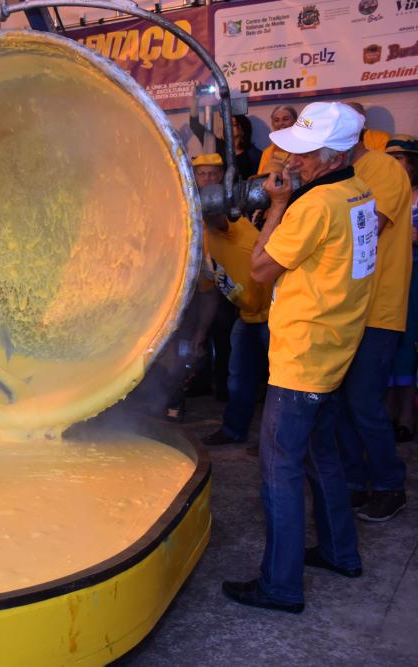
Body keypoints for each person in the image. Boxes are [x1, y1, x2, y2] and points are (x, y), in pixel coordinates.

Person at [223, 102, 375, 613]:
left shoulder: (315, 206)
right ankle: (340, 551)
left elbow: (262, 268)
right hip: (337, 348)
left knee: (279, 469)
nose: (294, 161)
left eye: (306, 154)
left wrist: (281, 206)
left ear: (335, 158)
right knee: (322, 455)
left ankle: (280, 585)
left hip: (303, 356)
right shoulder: (360, 191)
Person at [335, 120, 414, 523]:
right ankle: (353, 482)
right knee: (346, 403)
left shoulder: (381, 168)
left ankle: (388, 485)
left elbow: (367, 229)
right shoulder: (347, 175)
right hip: (350, 309)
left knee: (364, 402)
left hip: (378, 310)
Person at [193, 154, 273, 449]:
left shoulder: (228, 220)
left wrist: (201, 204)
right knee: (239, 379)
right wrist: (201, 336)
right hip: (248, 316)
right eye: (202, 175)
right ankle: (233, 430)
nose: (209, 181)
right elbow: (210, 291)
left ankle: (275, 441)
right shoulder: (201, 238)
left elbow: (215, 217)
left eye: (215, 175)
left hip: (276, 316)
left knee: (280, 385)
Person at [385, 135, 418, 443]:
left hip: (414, 279)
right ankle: (389, 413)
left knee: (408, 346)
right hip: (387, 278)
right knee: (388, 346)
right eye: (391, 161)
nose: (396, 166)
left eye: (402, 160)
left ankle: (406, 416)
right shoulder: (383, 195)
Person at [189, 99, 262, 179]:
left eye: (233, 124)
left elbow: (257, 180)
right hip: (220, 191)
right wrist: (196, 98)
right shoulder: (219, 145)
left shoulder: (253, 154)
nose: (228, 126)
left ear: (243, 129)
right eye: (227, 124)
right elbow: (194, 124)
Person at [257, 104, 298, 174]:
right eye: (276, 120)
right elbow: (261, 179)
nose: (281, 123)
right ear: (273, 124)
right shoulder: (268, 152)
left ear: (295, 122)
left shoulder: (304, 147)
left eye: (285, 119)